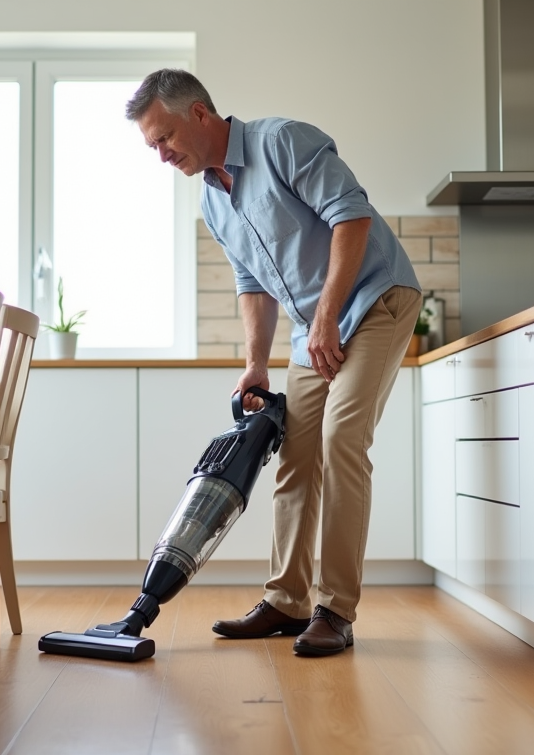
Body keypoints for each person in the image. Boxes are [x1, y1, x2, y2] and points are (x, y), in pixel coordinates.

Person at [126, 69, 422, 657]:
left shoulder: (282, 141)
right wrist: (256, 362)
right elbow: (251, 283)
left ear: (199, 115)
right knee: (294, 451)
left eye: (164, 139)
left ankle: (335, 610)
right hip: (317, 326)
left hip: (375, 300)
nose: (160, 155)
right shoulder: (213, 197)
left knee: (341, 438)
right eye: (152, 147)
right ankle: (287, 601)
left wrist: (328, 315)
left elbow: (351, 216)